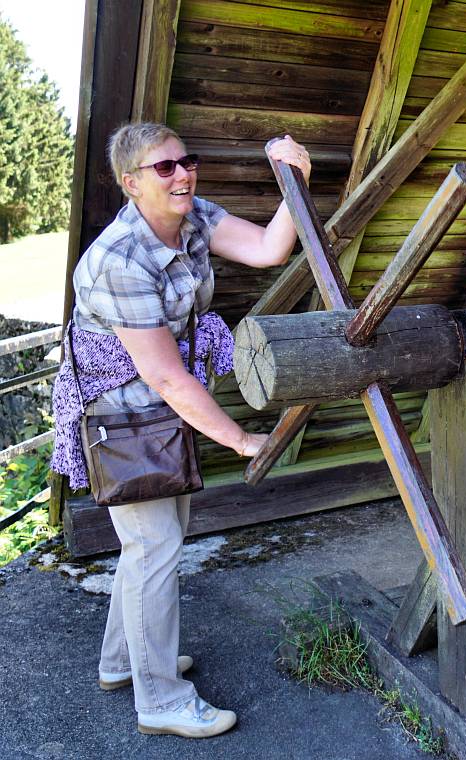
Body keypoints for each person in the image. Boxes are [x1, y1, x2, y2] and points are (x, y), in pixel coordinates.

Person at [50, 122, 311, 738]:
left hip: (163, 410)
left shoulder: (192, 215)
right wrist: (241, 439)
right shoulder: (118, 260)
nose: (182, 174)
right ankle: (160, 700)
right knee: (155, 547)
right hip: (122, 417)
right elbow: (166, 376)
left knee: (160, 540)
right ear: (130, 182)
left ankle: (123, 663)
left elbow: (270, 248)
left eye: (185, 161)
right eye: (162, 168)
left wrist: (295, 179)